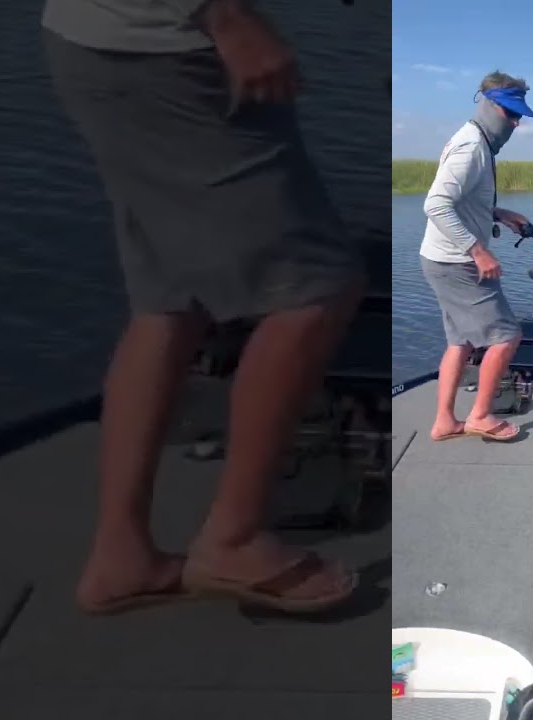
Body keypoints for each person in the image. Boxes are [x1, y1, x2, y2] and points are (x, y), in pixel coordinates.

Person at [40, 0, 365, 615]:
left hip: (102, 42)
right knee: (316, 288)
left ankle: (122, 555)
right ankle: (233, 539)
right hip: (171, 50)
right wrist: (226, 15)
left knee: (170, 297)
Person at [419, 71, 533, 443]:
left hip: (440, 260)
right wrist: (478, 250)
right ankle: (481, 416)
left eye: (519, 115)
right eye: (510, 113)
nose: (515, 123)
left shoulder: (475, 141)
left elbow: (462, 202)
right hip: (457, 263)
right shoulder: (471, 147)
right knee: (507, 336)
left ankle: (444, 422)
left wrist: (499, 214)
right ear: (488, 105)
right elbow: (436, 204)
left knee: (460, 342)